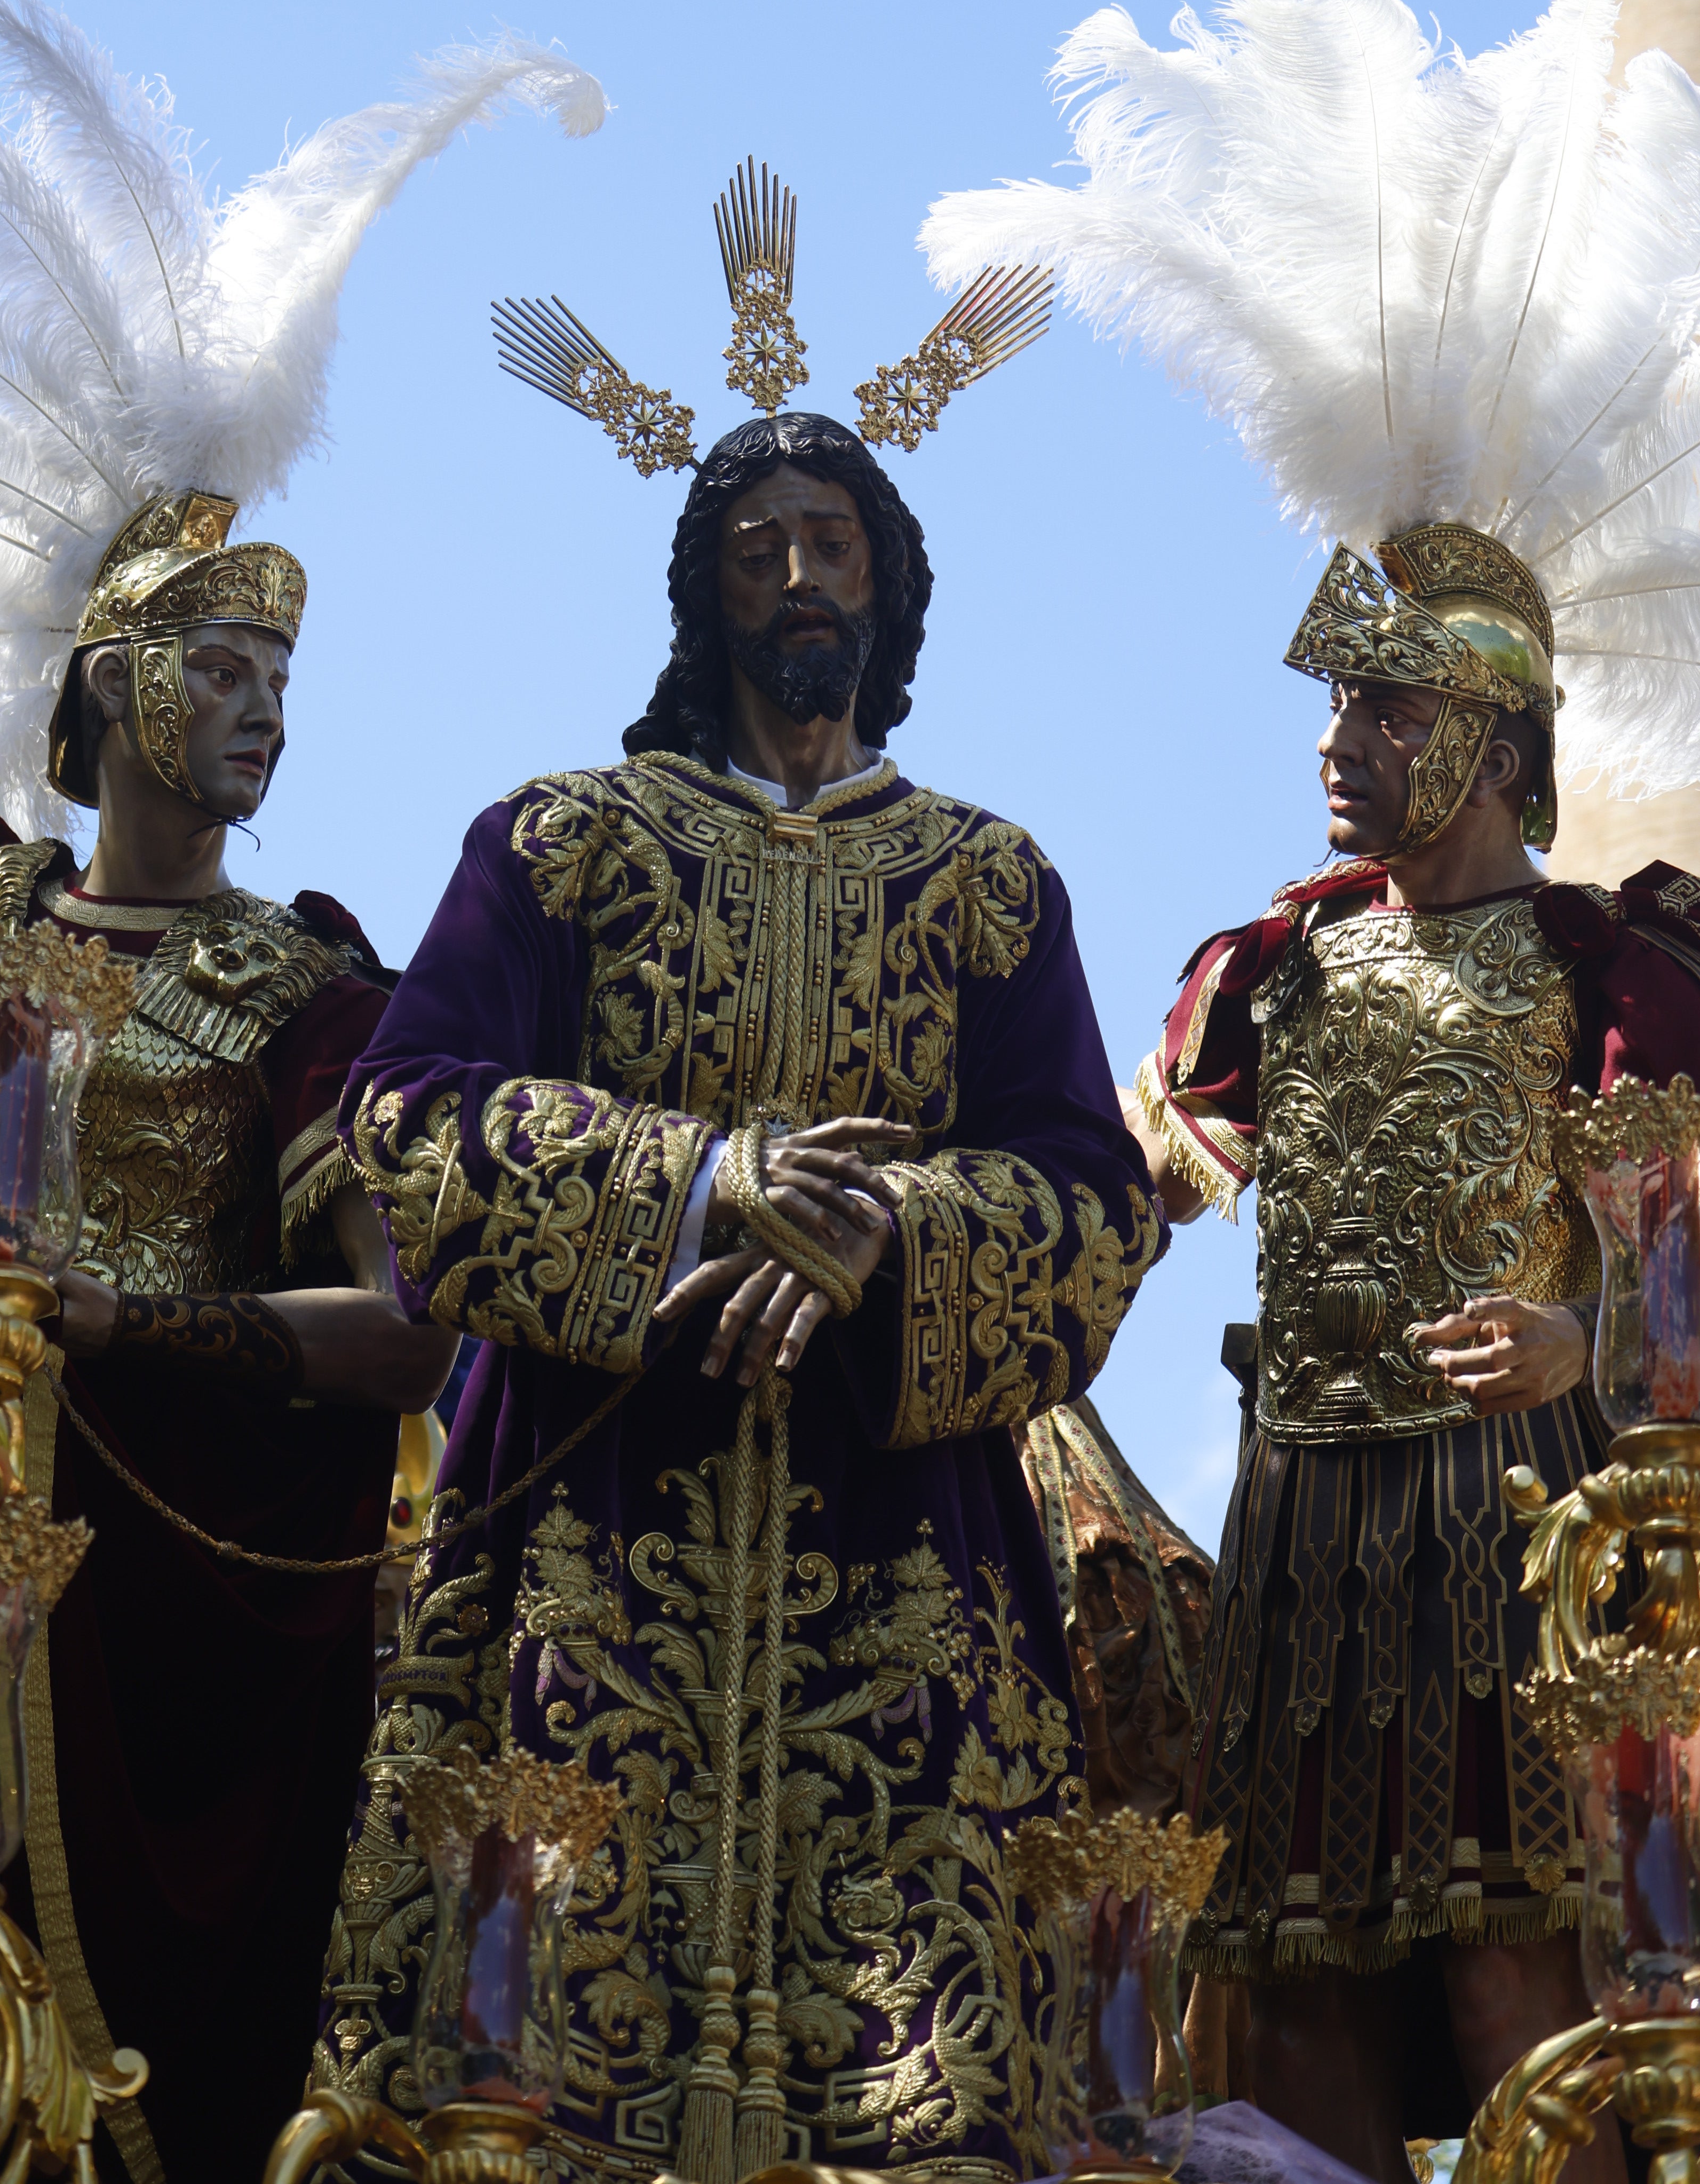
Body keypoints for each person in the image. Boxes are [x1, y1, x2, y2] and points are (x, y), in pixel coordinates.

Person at [923, 0, 1700, 2182]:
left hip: (1529, 1548)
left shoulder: (1631, 968)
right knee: (1292, 2003)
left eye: (1386, 704)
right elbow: (1115, 1205)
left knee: (1532, 1986)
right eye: (1335, 703)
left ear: (1500, 732)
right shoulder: (1272, 968)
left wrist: (1585, 1328)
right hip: (1303, 1530)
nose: (1338, 743)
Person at [0, 1, 601, 2184]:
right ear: (111, 688)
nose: (262, 709)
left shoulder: (312, 988)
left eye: (285, 674)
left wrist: (112, 1326)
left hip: (194, 1619)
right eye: (220, 663)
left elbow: (404, 1329)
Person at [314, 337, 1164, 2184]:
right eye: (760, 545)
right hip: (586, 1537)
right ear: (706, 594)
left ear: (889, 589)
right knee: (515, 2099)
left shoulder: (988, 883)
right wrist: (705, 1184)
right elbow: (414, 1120)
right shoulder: (564, 841)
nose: (798, 575)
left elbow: (1097, 1208)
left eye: (834, 545)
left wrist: (881, 1237)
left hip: (907, 1555)